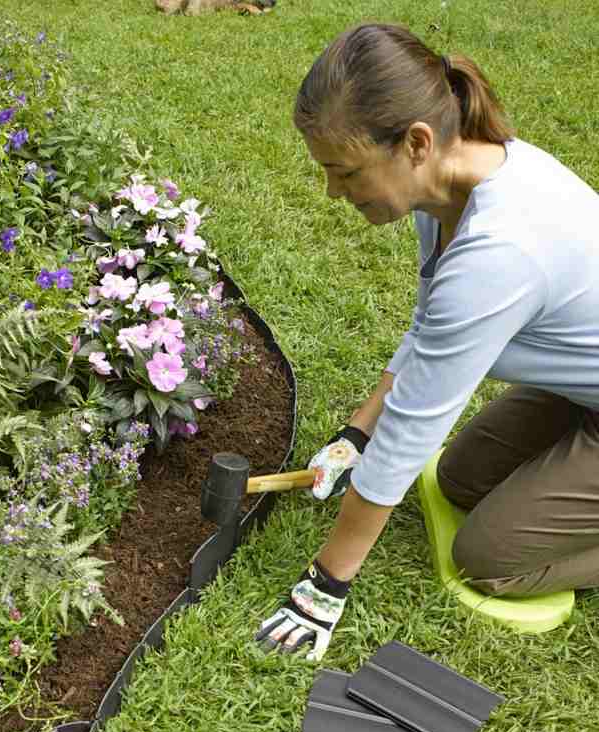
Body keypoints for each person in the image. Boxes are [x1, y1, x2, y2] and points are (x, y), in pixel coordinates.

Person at [256, 21, 599, 661]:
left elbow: (409, 437)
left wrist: (324, 586)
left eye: (346, 172)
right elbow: (426, 335)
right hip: (580, 391)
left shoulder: (500, 251)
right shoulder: (448, 196)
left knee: (489, 558)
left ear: (416, 142)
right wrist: (356, 434)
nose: (333, 191)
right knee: (463, 481)